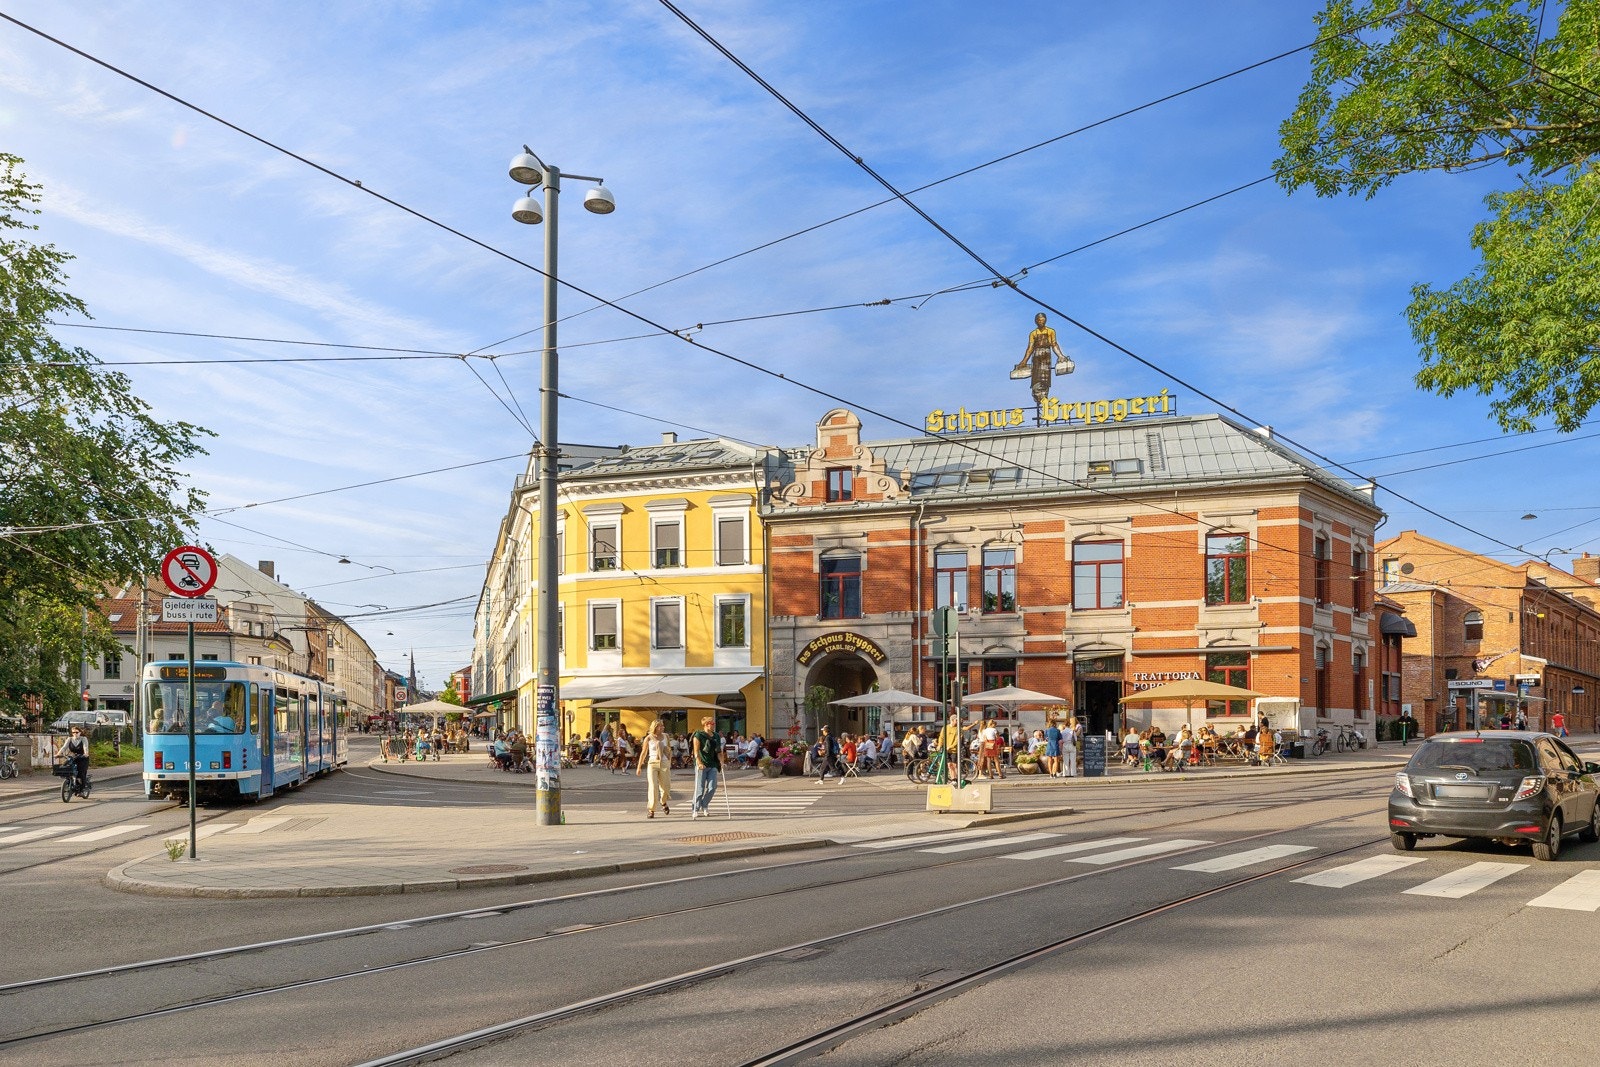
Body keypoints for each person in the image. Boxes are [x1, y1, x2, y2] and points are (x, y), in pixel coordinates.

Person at [1009, 312, 1074, 404]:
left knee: (1045, 376)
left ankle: (1044, 395)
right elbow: (1030, 348)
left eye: (1043, 320)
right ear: (1036, 321)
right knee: (1036, 376)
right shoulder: (1033, 333)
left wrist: (1060, 356)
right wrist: (1024, 361)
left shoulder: (1051, 331)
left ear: (1045, 321)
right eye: (1039, 320)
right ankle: (1037, 394)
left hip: (1046, 355)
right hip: (1036, 356)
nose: (1041, 322)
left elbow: (1054, 344)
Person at [635, 719, 673, 818]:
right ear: (655, 727)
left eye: (663, 725)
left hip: (664, 763)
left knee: (665, 787)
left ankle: (663, 801)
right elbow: (643, 753)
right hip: (652, 763)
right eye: (660, 726)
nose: (662, 727)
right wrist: (639, 767)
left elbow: (669, 750)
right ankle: (651, 809)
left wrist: (669, 761)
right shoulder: (649, 738)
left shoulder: (666, 736)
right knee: (653, 786)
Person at [691, 716, 725, 817]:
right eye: (712, 724)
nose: (714, 725)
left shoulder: (716, 736)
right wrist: (699, 762)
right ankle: (695, 808)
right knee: (699, 788)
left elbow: (719, 751)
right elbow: (696, 751)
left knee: (712, 787)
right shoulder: (698, 735)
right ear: (706, 724)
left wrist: (721, 762)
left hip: (713, 764)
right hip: (701, 764)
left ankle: (704, 805)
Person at [57, 726, 89, 791]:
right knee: (65, 767)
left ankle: (82, 790)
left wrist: (86, 753)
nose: (75, 734)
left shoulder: (83, 738)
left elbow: (85, 747)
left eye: (76, 732)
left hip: (82, 757)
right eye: (73, 732)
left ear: (80, 732)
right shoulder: (69, 739)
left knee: (81, 773)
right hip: (73, 757)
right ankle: (70, 782)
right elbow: (64, 747)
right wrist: (58, 754)